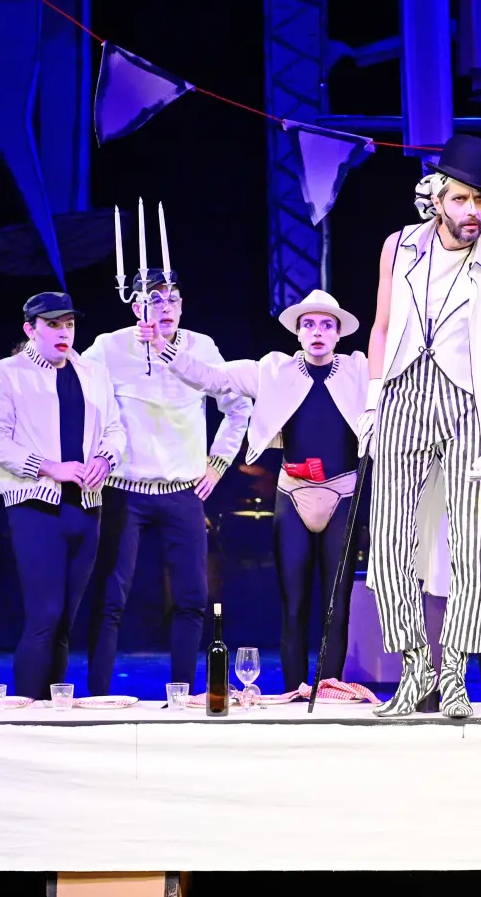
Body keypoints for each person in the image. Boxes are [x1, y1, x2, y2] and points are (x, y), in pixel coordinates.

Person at [361, 134, 481, 718]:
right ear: (436, 198)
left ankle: (453, 672)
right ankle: (415, 666)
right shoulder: (399, 246)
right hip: (403, 394)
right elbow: (382, 327)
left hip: (467, 405)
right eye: (461, 198)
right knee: (387, 542)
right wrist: (372, 402)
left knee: (472, 545)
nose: (473, 211)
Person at [139, 289, 368, 692]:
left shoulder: (359, 371)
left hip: (343, 494)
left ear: (338, 334)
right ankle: (295, 690)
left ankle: (330, 689)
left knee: (338, 605)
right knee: (293, 604)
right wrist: (163, 347)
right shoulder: (273, 370)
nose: (317, 332)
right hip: (294, 495)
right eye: (309, 324)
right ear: (297, 332)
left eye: (326, 325)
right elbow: (213, 376)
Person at [81, 269, 250, 692]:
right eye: (155, 300)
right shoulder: (109, 347)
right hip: (124, 490)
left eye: (173, 299)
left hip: (182, 490)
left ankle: (182, 693)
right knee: (110, 597)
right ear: (136, 306)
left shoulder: (201, 347)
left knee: (192, 598)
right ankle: (99, 695)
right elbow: (78, 396)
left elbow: (237, 405)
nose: (166, 307)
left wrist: (218, 463)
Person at [0, 292, 125, 700]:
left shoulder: (93, 372)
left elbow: (115, 429)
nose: (64, 333)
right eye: (53, 325)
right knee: (44, 615)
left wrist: (106, 459)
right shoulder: (6, 373)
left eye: (69, 325)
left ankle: (53, 709)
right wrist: (46, 466)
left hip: (86, 506)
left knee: (64, 622)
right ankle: (27, 709)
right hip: (36, 507)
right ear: (31, 329)